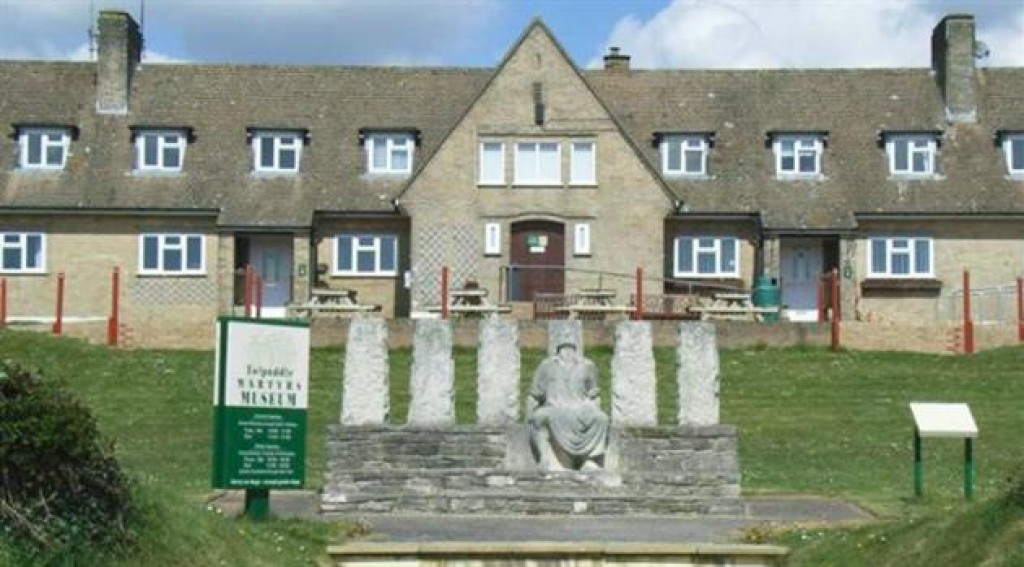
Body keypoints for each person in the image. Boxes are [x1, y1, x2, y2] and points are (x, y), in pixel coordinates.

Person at [525, 341, 610, 471]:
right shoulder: (546, 365)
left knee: (601, 418)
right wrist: (529, 415)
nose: (567, 350)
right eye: (564, 346)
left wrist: (594, 408)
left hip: (581, 408)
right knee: (541, 416)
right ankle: (546, 458)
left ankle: (590, 460)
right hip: (554, 407)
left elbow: (594, 395)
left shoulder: (587, 365)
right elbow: (535, 393)